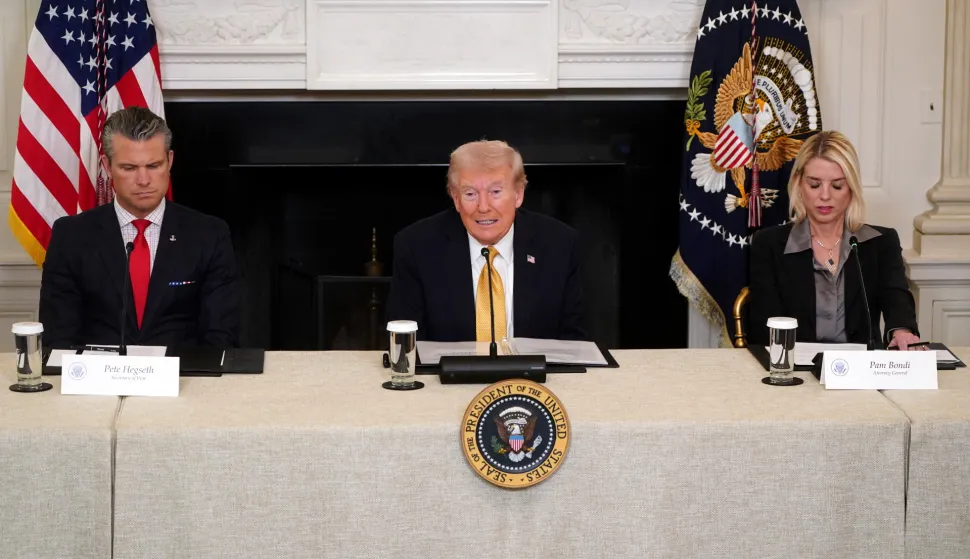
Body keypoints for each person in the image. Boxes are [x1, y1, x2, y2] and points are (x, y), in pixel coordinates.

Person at [39, 107, 240, 349]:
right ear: (107, 166)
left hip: (183, 371)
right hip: (97, 372)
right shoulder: (71, 236)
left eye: (153, 166)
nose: (143, 180)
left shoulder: (209, 234)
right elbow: (58, 338)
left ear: (170, 161)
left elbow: (220, 338)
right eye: (129, 168)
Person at [386, 140, 586, 342]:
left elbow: (574, 343)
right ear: (456, 198)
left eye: (495, 192)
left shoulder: (559, 245)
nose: (483, 207)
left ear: (518, 194)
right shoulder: (416, 247)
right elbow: (405, 343)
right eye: (470, 194)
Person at [748, 130, 920, 349]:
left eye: (837, 185)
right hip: (794, 365)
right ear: (799, 185)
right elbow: (763, 326)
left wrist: (902, 332)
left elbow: (896, 299)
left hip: (861, 366)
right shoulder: (769, 244)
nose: (825, 196)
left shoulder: (881, 242)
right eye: (814, 185)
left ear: (852, 188)